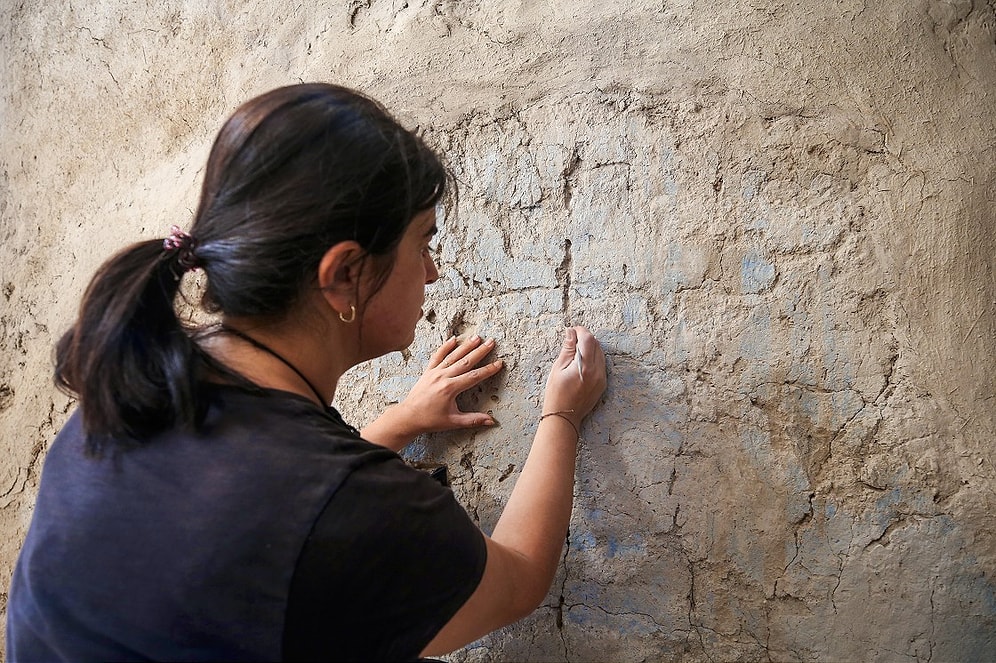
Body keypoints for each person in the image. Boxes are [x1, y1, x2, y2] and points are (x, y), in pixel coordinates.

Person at [6, 83, 606, 661]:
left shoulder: (132, 391)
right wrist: (562, 414)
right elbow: (516, 579)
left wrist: (397, 423)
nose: (432, 271)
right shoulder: (356, 507)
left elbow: (268, 519)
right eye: (423, 243)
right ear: (344, 274)